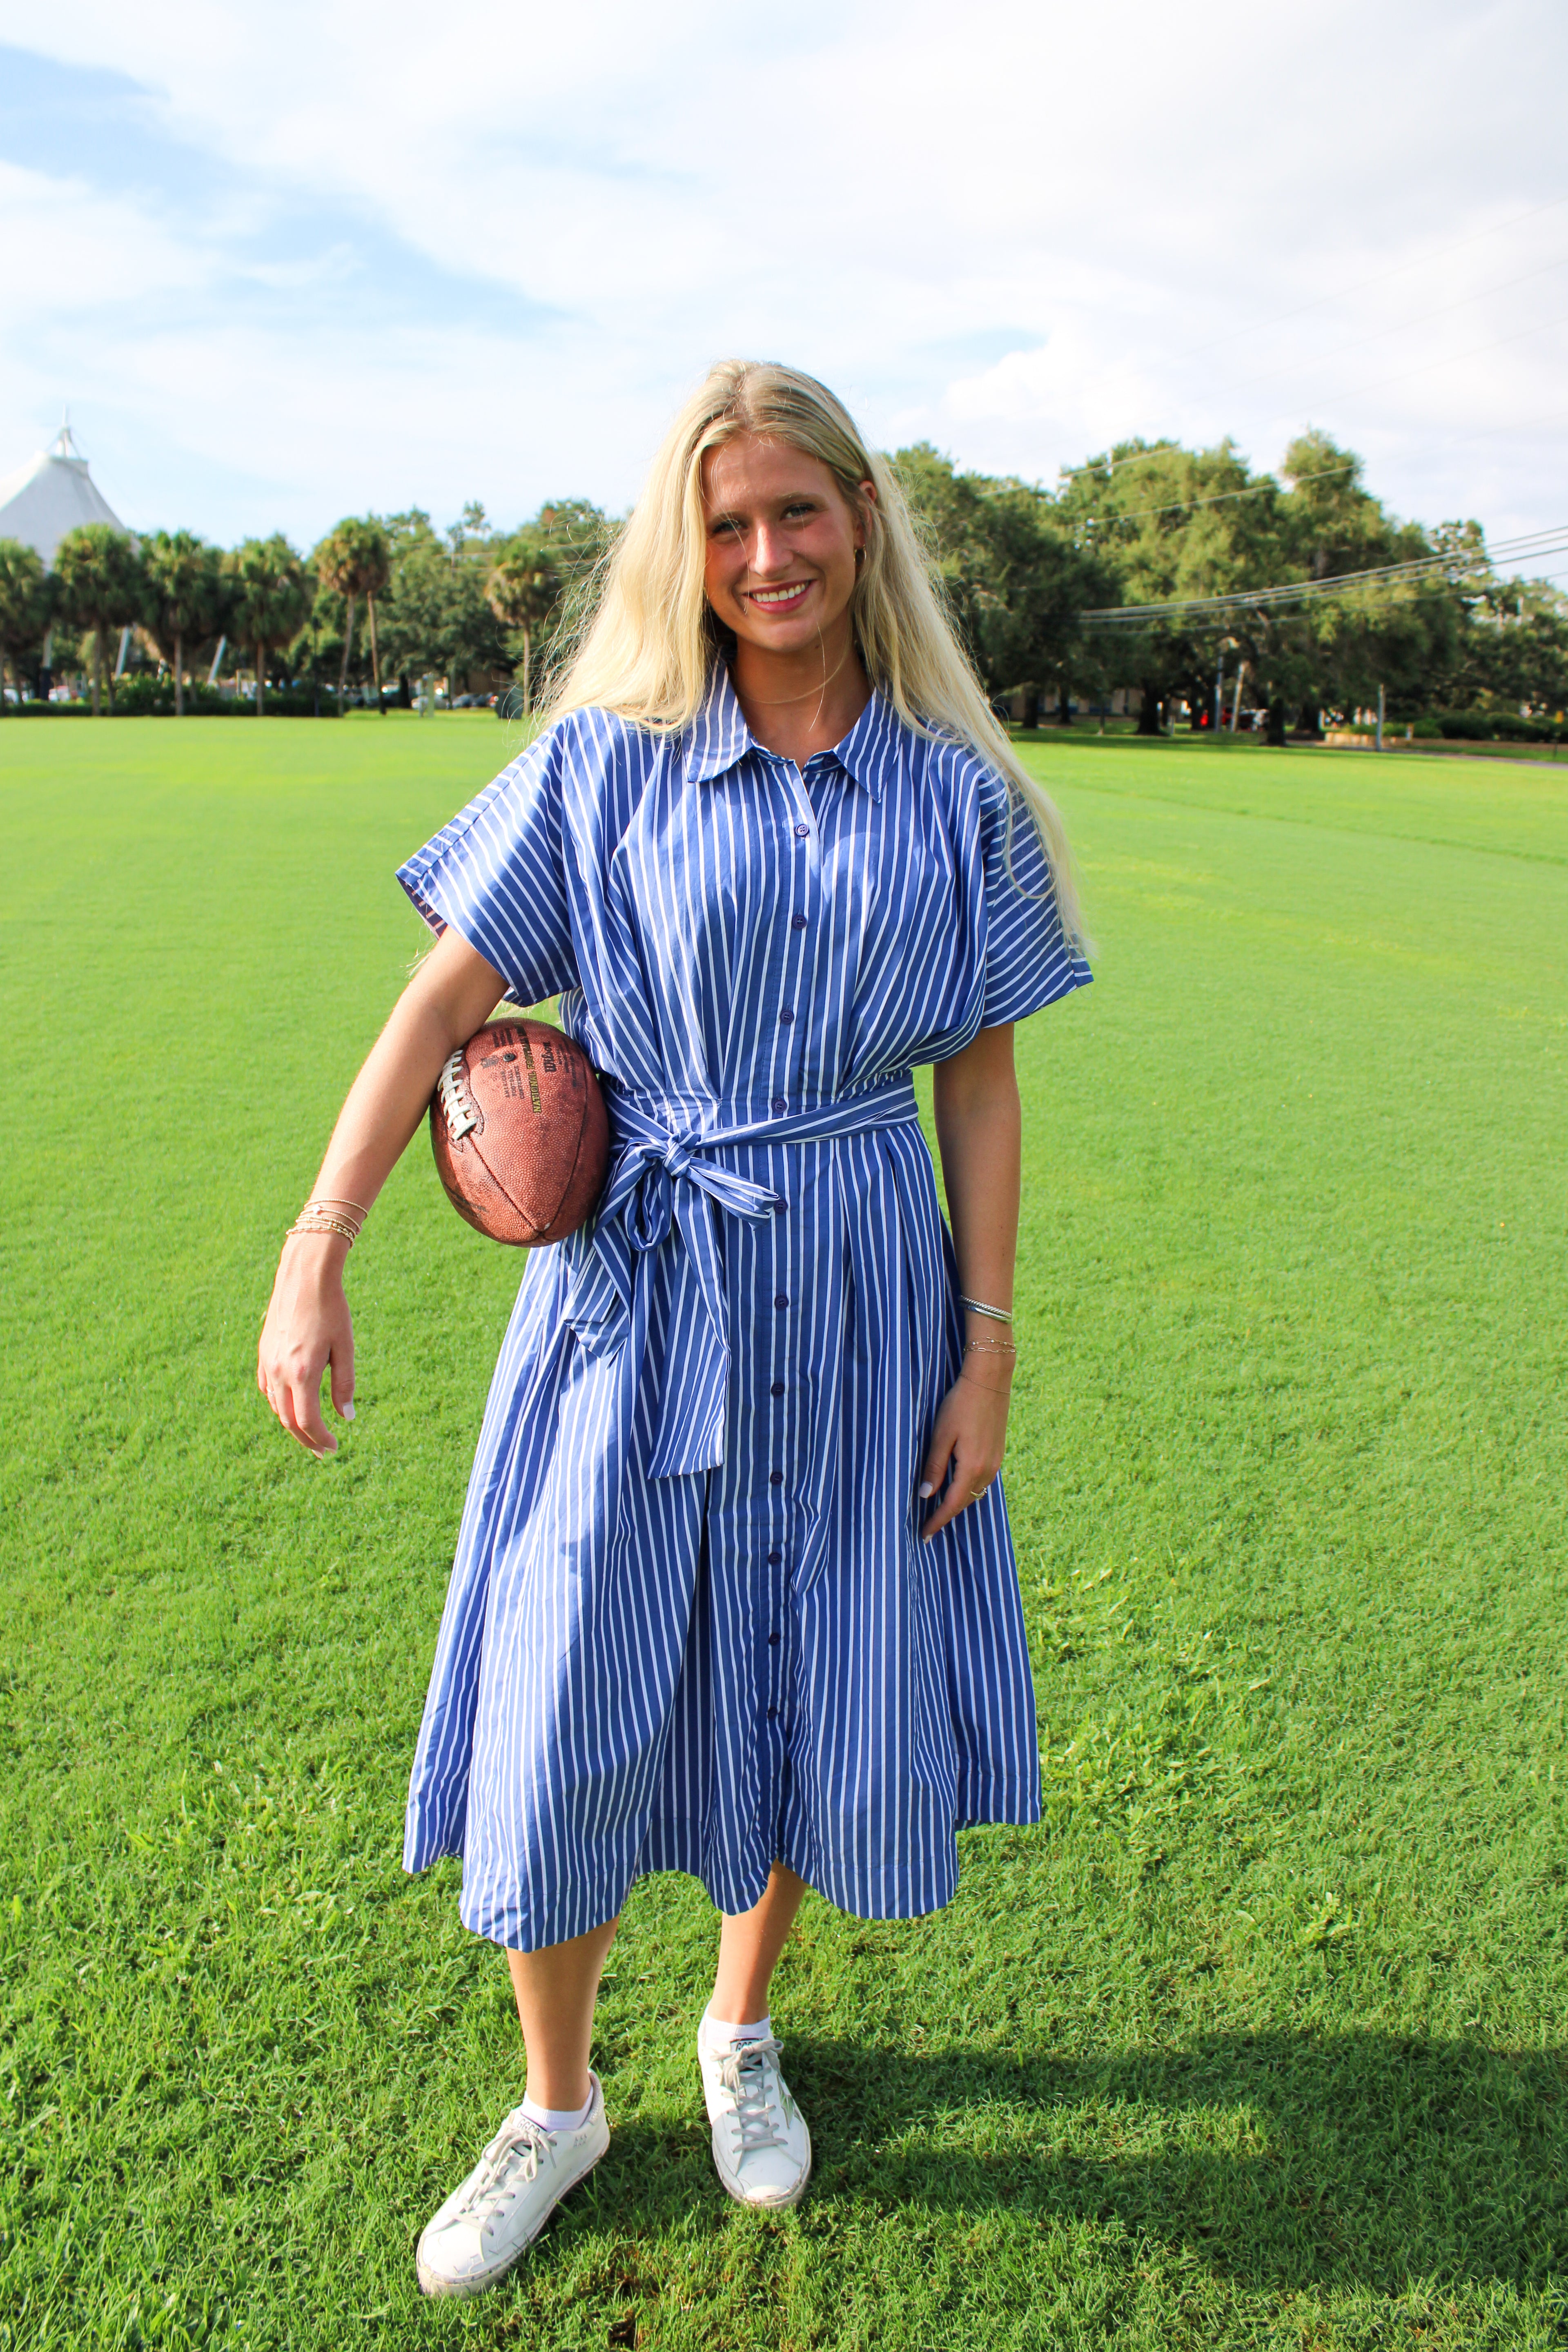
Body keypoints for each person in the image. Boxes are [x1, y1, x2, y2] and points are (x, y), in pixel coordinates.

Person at [257, 360, 1091, 2300]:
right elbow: (436, 1000)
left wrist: (987, 1342)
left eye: (797, 511)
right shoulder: (608, 760)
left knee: (811, 1651)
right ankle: (558, 2103)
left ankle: (737, 2030)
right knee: (575, 1677)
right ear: (684, 551)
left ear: (861, 516)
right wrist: (320, 1243)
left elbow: (979, 1077)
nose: (766, 553)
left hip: (869, 1283)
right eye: (726, 525)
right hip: (635, 1289)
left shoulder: (955, 794)